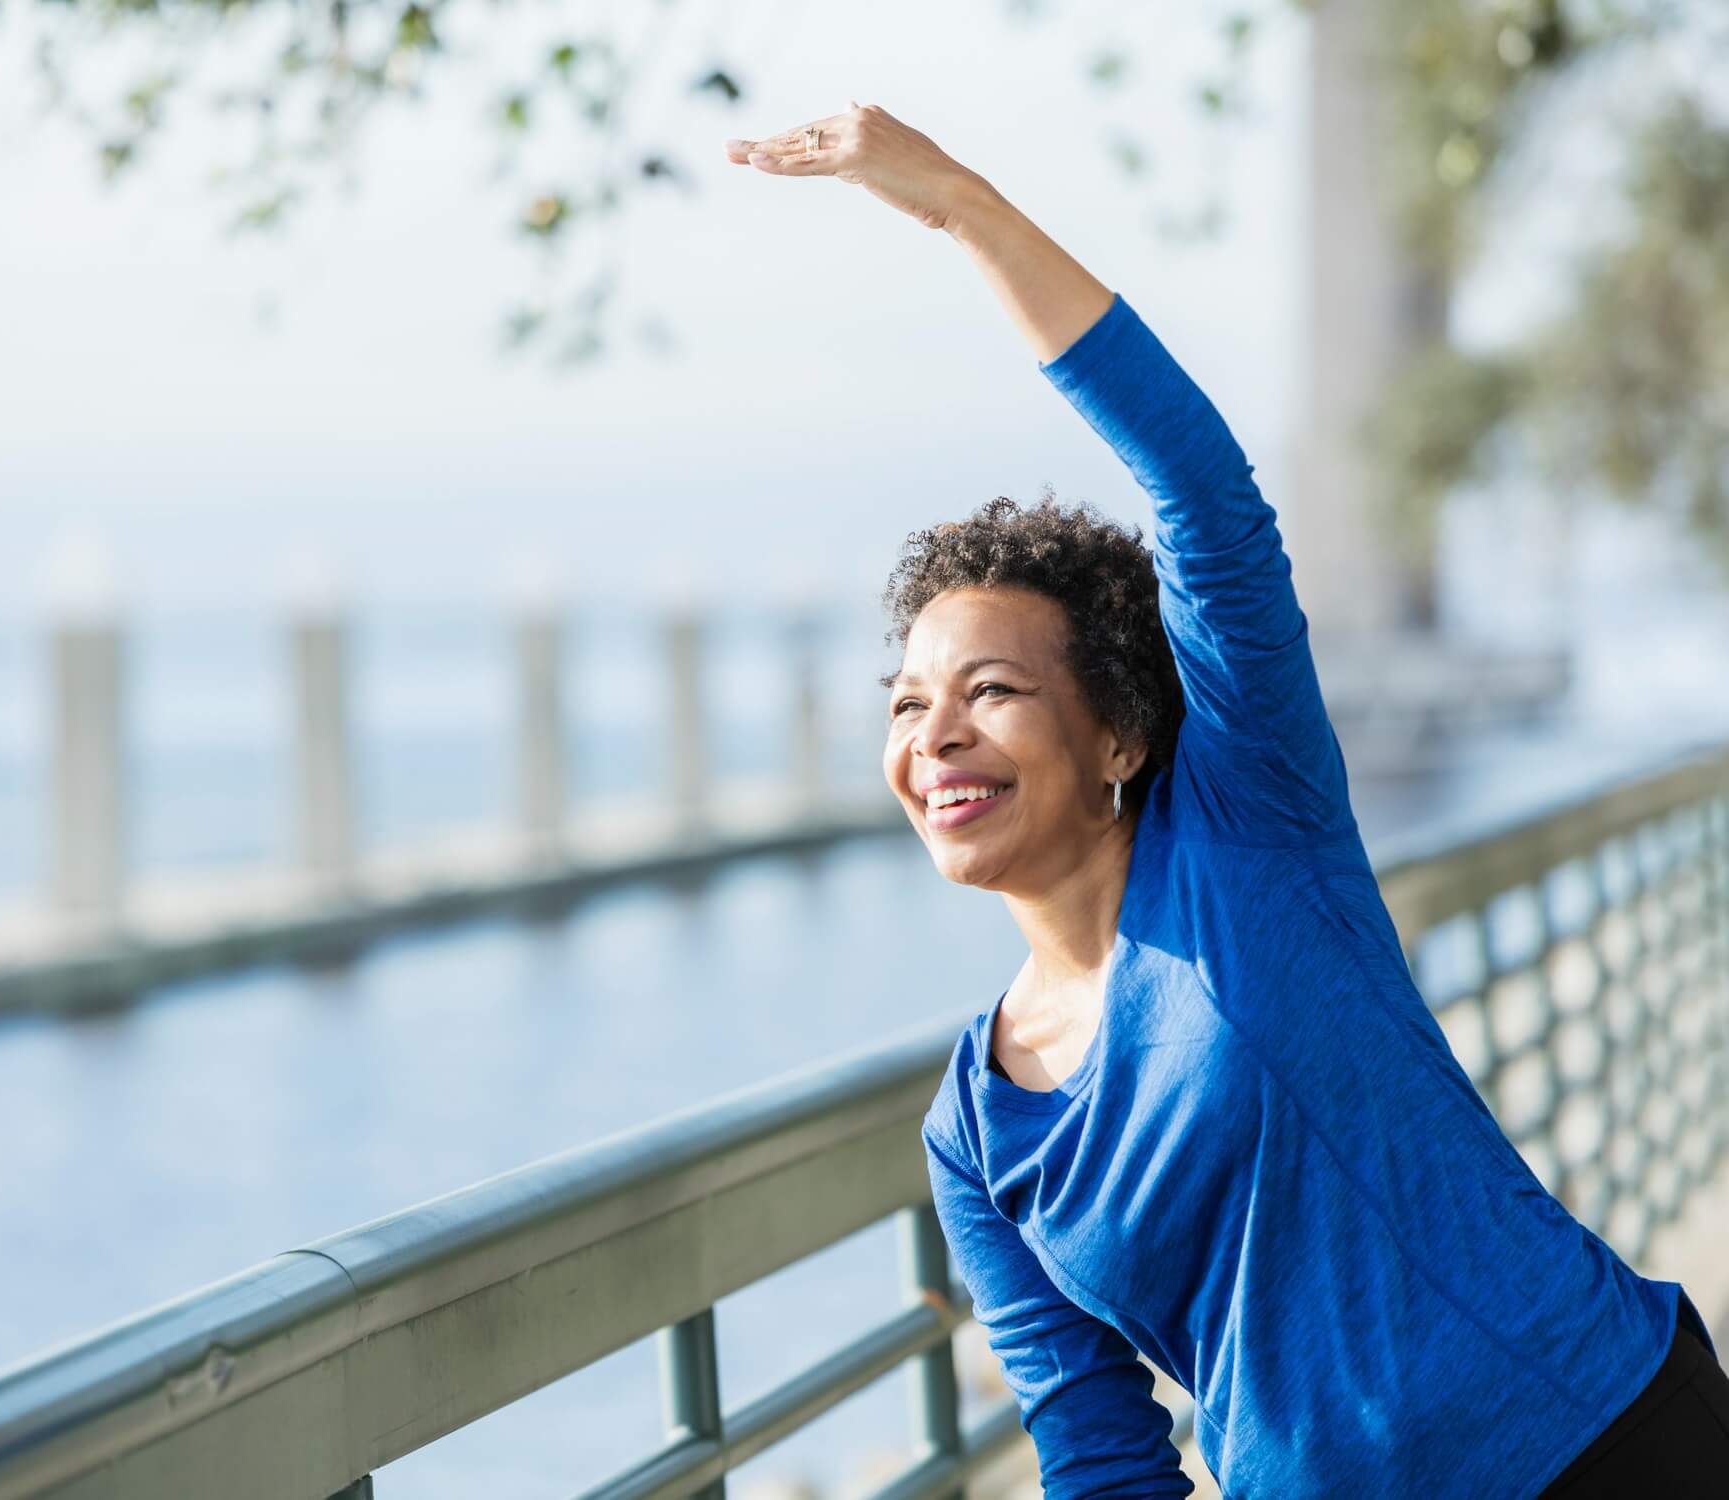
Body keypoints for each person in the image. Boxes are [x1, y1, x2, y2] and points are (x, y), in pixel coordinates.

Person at [724, 106, 1729, 1497]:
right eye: (906, 704)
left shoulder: (1250, 823)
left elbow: (1201, 491)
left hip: (1598, 1446)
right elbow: (1098, 1449)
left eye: (992, 692)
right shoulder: (975, 1128)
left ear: (1120, 730)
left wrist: (959, 205)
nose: (934, 735)